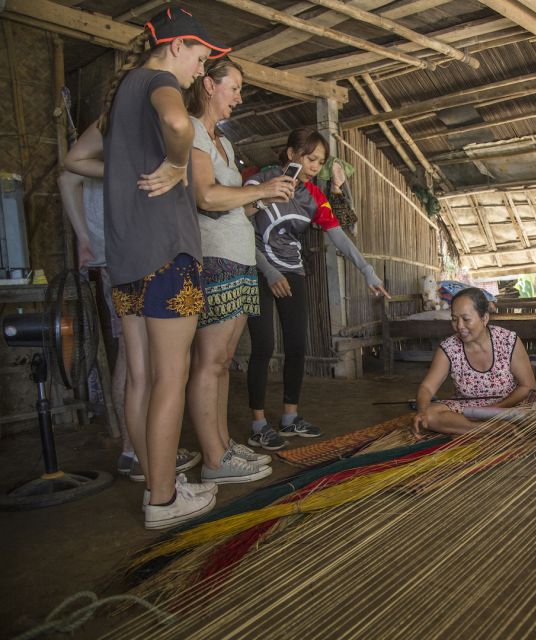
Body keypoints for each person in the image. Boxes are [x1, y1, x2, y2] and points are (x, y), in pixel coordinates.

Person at [101, 7, 230, 529]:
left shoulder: (120, 95)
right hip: (166, 254)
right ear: (177, 46)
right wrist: (178, 162)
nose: (200, 71)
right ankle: (161, 499)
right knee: (170, 380)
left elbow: (82, 157)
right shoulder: (157, 81)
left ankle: (157, 481)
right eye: (200, 58)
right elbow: (178, 122)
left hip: (128, 259)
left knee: (145, 377)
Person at [61, 124, 202, 482]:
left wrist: (84, 239)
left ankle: (139, 450)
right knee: (138, 359)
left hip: (119, 252)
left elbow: (67, 177)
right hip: (131, 253)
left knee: (138, 357)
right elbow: (68, 176)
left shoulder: (111, 143)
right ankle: (137, 453)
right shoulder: (123, 138)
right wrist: (86, 239)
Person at [184, 56, 298, 483]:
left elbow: (233, 206)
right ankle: (213, 459)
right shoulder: (192, 132)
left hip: (240, 256)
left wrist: (260, 200)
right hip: (213, 257)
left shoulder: (225, 144)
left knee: (226, 359)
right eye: (233, 88)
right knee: (208, 361)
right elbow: (206, 197)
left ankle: (223, 445)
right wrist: (260, 188)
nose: (239, 97)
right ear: (209, 87)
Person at [244, 127, 390, 450]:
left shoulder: (313, 196)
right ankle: (257, 423)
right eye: (310, 158)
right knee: (264, 345)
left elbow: (338, 236)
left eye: (319, 161)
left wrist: (368, 271)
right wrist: (268, 272)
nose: (314, 166)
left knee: (297, 345)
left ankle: (289, 417)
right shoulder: (261, 180)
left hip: (292, 270)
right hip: (257, 269)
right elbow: (242, 226)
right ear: (292, 154)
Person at [413, 287, 536, 436]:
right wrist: (422, 411)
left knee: (529, 415)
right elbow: (427, 387)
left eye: (466, 319)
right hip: (468, 410)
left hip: (507, 407)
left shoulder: (508, 341)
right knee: (431, 415)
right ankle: (488, 429)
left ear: (484, 318)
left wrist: (494, 409)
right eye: (454, 319)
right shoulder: (449, 348)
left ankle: (478, 426)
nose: (459, 326)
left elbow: (528, 386)